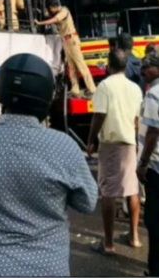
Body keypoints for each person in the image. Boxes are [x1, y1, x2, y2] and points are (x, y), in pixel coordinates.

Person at [0, 53, 98, 276]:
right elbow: (87, 202)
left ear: (0, 92)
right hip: (49, 270)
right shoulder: (64, 147)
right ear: (46, 98)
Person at [86, 49, 144, 254]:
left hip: (111, 145)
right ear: (125, 65)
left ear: (109, 65)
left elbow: (99, 116)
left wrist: (90, 140)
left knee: (108, 192)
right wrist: (137, 142)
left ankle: (108, 244)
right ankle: (134, 237)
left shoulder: (105, 86)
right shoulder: (135, 88)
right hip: (130, 143)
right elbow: (137, 120)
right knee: (132, 189)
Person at [35, 0, 97, 98]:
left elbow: (54, 20)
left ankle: (92, 89)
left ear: (54, 7)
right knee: (72, 67)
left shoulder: (64, 11)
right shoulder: (57, 12)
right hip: (66, 41)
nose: (50, 11)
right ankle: (75, 90)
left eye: (50, 9)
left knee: (81, 65)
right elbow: (47, 15)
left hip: (72, 40)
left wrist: (39, 23)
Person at [137, 53, 159, 276]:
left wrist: (143, 163)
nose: (142, 71)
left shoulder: (153, 94)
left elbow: (153, 131)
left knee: (154, 221)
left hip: (156, 168)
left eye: (148, 67)